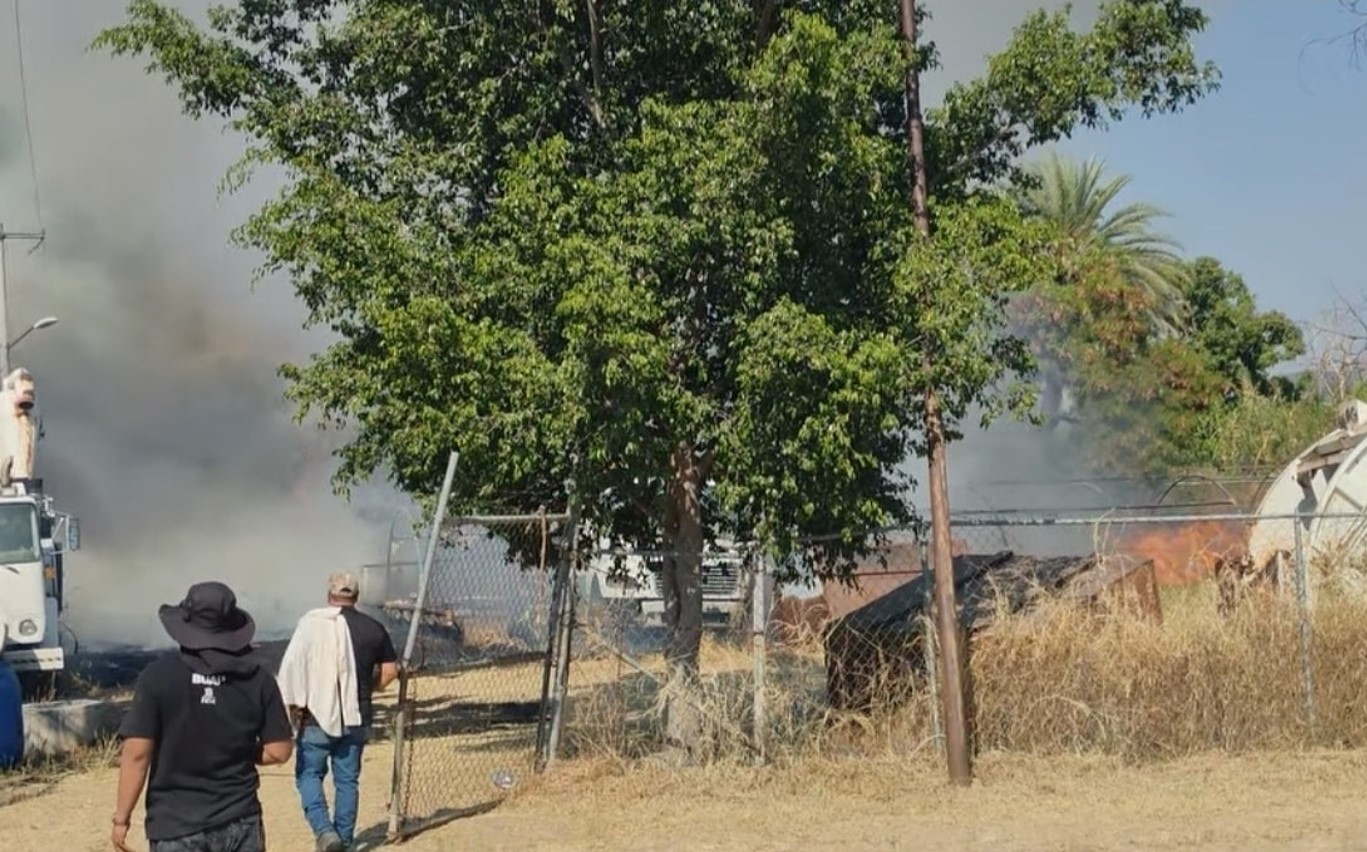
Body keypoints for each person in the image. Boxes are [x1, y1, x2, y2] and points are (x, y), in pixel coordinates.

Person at [111, 581, 294, 852]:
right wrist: (242, 751)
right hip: (240, 819)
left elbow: (137, 754)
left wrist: (121, 818)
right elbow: (279, 751)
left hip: (175, 825)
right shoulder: (259, 680)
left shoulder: (156, 677)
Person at [278, 572, 398, 852]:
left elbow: (293, 668)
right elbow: (390, 672)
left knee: (309, 775)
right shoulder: (373, 628)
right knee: (347, 781)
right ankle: (344, 840)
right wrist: (368, 689)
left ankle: (324, 831)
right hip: (357, 717)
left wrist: (294, 707)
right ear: (356, 597)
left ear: (329, 596)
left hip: (315, 716)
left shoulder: (310, 625)